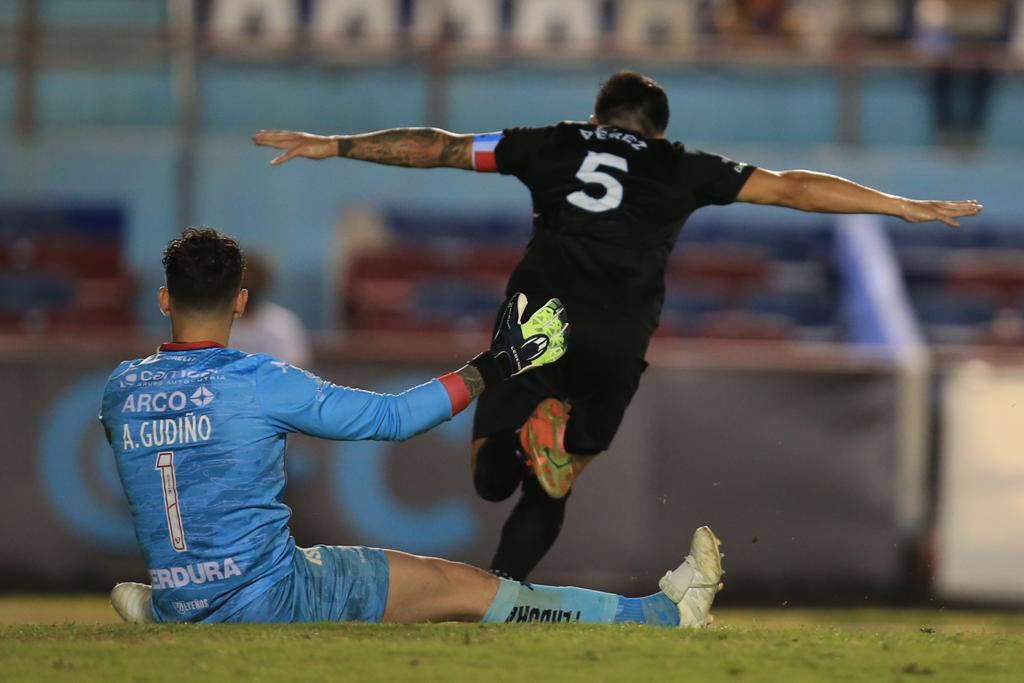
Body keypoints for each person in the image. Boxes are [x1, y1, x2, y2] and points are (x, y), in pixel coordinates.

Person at [252, 69, 982, 582]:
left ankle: (525, 436)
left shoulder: (551, 143)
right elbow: (793, 189)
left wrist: (336, 143)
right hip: (620, 332)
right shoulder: (682, 165)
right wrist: (900, 205)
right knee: (555, 485)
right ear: (659, 129)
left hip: (540, 316)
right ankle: (504, 588)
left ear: (596, 116)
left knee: (490, 479)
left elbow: (440, 146)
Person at [105, 227, 723, 628]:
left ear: (164, 299)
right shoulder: (261, 380)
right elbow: (393, 418)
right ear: (240, 302)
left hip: (183, 590)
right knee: (463, 587)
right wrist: (499, 363)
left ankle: (170, 608)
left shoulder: (121, 388)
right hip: (275, 596)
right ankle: (663, 615)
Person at [229, 251, 314, 367]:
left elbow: (296, 366)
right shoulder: (217, 322)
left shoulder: (282, 323)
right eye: (243, 282)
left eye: (253, 281)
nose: (248, 285)